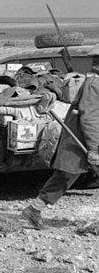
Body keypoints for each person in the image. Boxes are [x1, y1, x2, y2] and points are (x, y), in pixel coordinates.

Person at [22, 60, 99, 230]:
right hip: (84, 137)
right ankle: (34, 210)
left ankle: (34, 210)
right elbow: (90, 119)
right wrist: (94, 148)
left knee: (67, 174)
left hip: (90, 136)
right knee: (67, 174)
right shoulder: (95, 84)